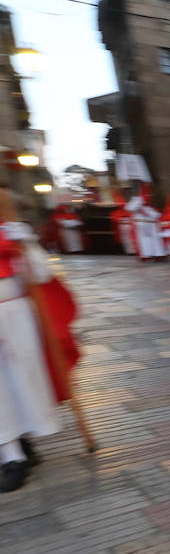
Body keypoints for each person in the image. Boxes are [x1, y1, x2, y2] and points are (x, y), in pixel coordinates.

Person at [0, 188, 77, 493]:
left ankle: (22, 442)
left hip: (14, 315)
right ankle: (11, 453)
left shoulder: (12, 233)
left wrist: (26, 244)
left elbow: (42, 274)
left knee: (23, 380)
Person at [129, 185, 167, 261]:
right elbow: (130, 208)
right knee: (144, 241)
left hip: (152, 224)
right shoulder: (137, 201)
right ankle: (147, 255)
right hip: (142, 224)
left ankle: (158, 255)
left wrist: (151, 214)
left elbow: (157, 214)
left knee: (155, 240)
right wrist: (139, 204)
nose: (148, 195)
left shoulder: (153, 203)